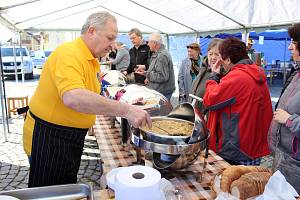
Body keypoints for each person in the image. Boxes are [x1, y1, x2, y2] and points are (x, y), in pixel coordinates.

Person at [23, 11, 152, 188]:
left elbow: (91, 93)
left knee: (65, 188)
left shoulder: (91, 59)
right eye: (110, 38)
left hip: (68, 137)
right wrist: (126, 110)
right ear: (92, 31)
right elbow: (73, 96)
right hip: (49, 137)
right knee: (52, 192)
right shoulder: (69, 53)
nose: (113, 45)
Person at [203, 37, 273, 165]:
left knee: (233, 183)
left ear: (228, 59)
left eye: (221, 58)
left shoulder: (237, 77)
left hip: (238, 147)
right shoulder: (255, 71)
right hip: (253, 143)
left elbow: (210, 100)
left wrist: (213, 76)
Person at [269, 23, 300, 193]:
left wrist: (289, 120)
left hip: (295, 164)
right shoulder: (297, 74)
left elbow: (288, 116)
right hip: (284, 157)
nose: (289, 47)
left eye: (294, 42)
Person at [136, 32, 175, 100]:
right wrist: (147, 75)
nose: (148, 44)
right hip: (161, 90)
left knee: (162, 110)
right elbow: (156, 68)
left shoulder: (162, 56)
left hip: (162, 91)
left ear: (155, 43)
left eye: (149, 42)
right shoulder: (158, 53)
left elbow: (162, 76)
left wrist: (146, 74)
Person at [190, 38, 223, 114]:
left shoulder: (223, 75)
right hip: (195, 112)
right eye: (210, 54)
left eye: (217, 54)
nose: (213, 57)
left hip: (208, 118)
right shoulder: (204, 68)